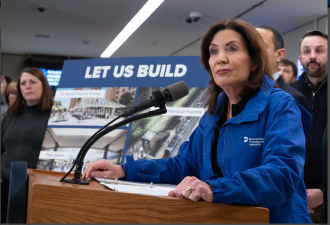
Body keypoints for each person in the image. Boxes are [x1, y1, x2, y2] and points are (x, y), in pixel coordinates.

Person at [82, 19, 312, 223]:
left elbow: (282, 175)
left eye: (232, 49)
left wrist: (214, 189)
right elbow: (185, 165)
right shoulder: (215, 112)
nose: (220, 58)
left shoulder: (281, 105)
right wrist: (123, 169)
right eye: (213, 51)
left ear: (254, 61)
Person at [1, 67, 53, 223]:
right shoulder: (11, 115)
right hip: (6, 185)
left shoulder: (53, 117)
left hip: (37, 188)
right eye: (23, 83)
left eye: (32, 82)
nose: (27, 86)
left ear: (43, 85)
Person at [290, 30, 328, 223]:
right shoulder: (287, 94)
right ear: (300, 58)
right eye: (307, 51)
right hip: (290, 195)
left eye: (319, 50)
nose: (312, 56)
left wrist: (324, 192)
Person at [255, 25, 310, 112]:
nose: (253, 52)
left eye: (260, 47)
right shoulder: (237, 94)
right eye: (249, 47)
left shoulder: (292, 98)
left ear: (279, 55)